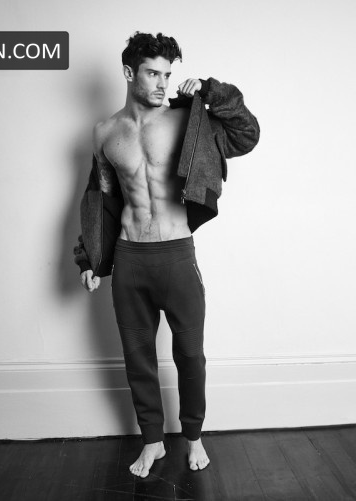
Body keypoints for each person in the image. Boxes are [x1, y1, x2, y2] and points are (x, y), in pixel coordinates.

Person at [72, 32, 259, 478]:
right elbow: (100, 200)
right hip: (130, 258)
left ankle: (193, 436)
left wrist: (212, 92)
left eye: (167, 75)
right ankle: (152, 442)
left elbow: (247, 134)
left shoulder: (187, 120)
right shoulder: (104, 133)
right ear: (128, 73)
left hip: (176, 254)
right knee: (138, 358)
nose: (162, 83)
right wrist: (90, 259)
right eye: (153, 74)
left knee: (190, 355)